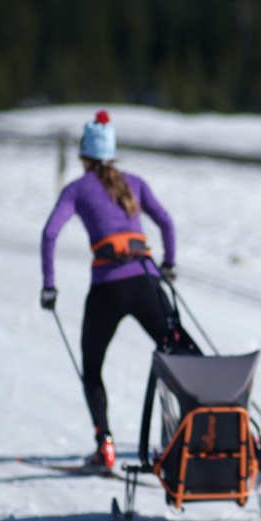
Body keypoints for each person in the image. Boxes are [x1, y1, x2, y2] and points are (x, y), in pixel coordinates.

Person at [39, 112, 192, 470]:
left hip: (107, 289)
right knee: (181, 353)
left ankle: (104, 446)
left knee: (92, 367)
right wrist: (168, 264)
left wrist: (49, 285)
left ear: (84, 155)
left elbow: (49, 234)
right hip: (145, 281)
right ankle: (204, 433)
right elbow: (167, 222)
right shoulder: (134, 183)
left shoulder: (76, 190)